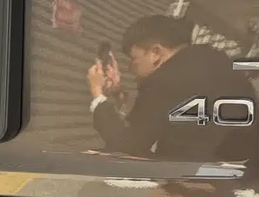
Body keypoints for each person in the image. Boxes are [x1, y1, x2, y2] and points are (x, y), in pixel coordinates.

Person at [87, 15, 246, 159]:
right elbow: (152, 124)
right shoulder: (212, 64)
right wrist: (121, 98)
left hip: (197, 176)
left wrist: (97, 94)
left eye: (134, 59)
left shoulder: (164, 81)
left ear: (155, 53)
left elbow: (128, 146)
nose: (130, 69)